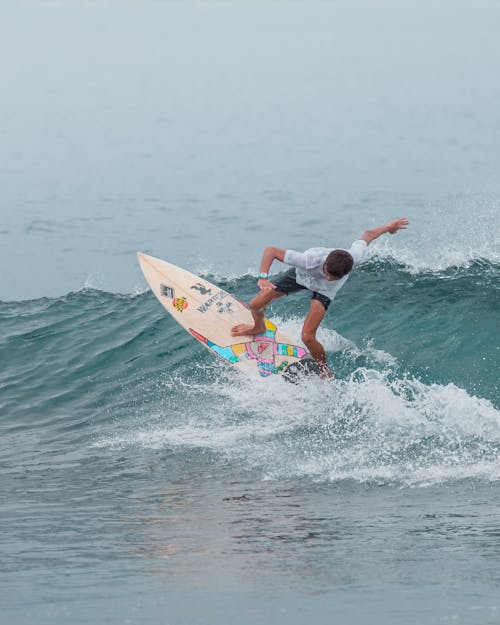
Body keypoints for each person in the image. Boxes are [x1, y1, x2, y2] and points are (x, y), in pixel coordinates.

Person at [231, 217, 409, 378]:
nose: (330, 278)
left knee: (307, 337)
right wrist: (263, 277)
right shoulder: (309, 260)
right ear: (324, 265)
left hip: (324, 292)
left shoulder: (354, 258)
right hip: (300, 277)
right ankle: (258, 327)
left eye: (336, 277)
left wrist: (389, 227)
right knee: (255, 305)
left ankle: (325, 371)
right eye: (328, 274)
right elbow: (271, 251)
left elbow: (368, 235)